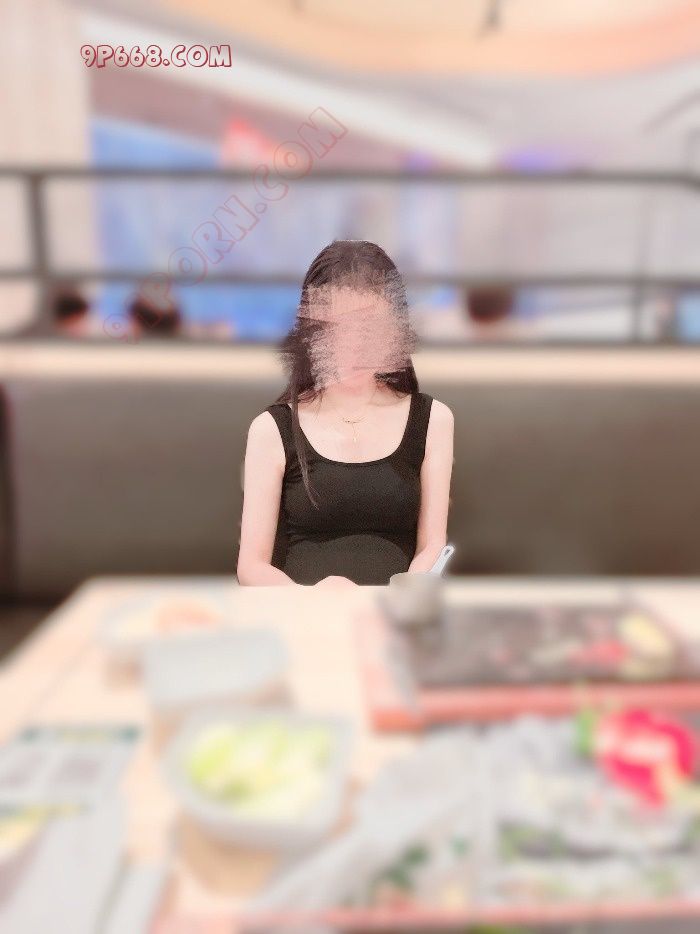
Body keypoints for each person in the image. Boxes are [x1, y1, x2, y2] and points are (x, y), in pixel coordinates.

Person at [237, 239, 454, 587]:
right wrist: (311, 598)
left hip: (393, 612)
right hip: (302, 613)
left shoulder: (433, 420)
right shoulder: (271, 429)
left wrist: (397, 598)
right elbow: (251, 566)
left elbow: (431, 546)